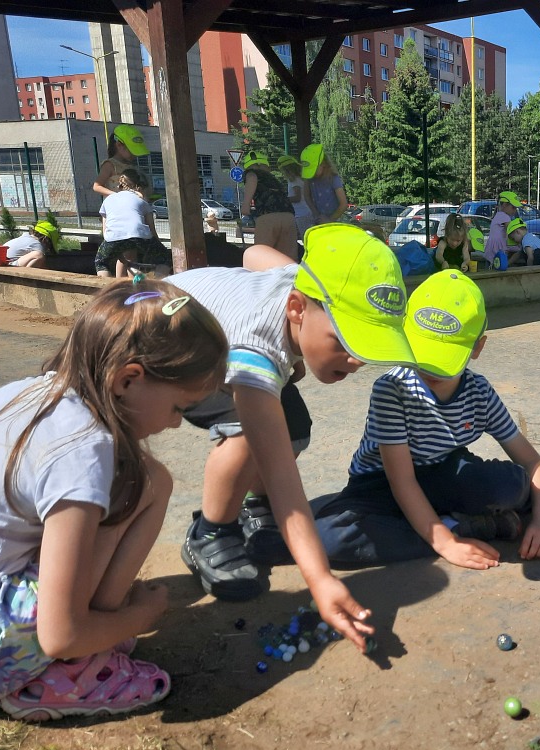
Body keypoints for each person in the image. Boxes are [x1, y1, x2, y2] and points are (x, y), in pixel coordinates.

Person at [0, 280, 228, 721]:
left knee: (146, 476)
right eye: (180, 408)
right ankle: (75, 673)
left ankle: (88, 638)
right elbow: (60, 634)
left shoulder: (31, 393)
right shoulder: (81, 455)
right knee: (139, 485)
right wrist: (140, 617)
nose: (176, 425)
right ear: (129, 379)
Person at [165, 223, 416, 653]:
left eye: (367, 344)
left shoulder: (299, 280)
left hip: (211, 337)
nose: (356, 359)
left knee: (292, 427)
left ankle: (250, 504)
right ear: (297, 309)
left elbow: (254, 253)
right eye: (343, 340)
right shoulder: (258, 346)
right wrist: (320, 579)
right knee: (256, 431)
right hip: (168, 352)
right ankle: (211, 532)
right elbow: (284, 477)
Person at [309, 269, 540, 570]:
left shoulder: (479, 391)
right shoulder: (392, 389)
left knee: (507, 487)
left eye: (443, 361)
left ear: (477, 347)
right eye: (421, 354)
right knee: (328, 538)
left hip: (446, 472)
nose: (431, 371)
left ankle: (535, 494)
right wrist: (446, 543)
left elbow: (533, 462)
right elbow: (402, 481)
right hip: (381, 484)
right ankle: (467, 527)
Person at [95, 168, 172, 279]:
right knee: (164, 259)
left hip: (112, 238)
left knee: (101, 263)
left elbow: (105, 231)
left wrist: (112, 247)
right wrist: (157, 247)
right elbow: (152, 230)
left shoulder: (108, 199)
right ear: (139, 187)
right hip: (138, 236)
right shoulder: (142, 201)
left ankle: (107, 288)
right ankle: (156, 284)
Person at [239, 151, 298, 262]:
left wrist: (246, 204)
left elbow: (252, 178)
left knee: (261, 257)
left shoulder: (251, 172)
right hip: (288, 216)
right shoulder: (273, 179)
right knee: (289, 260)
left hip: (268, 216)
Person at [92, 124, 149, 199]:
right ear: (119, 145)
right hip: (116, 207)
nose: (135, 155)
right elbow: (97, 186)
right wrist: (117, 196)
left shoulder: (131, 166)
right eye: (132, 151)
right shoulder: (110, 165)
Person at [301, 144, 347, 226]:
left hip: (336, 220)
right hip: (320, 220)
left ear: (323, 164)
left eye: (314, 170)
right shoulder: (309, 178)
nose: (312, 173)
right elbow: (306, 195)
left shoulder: (333, 178)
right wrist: (316, 214)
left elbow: (343, 204)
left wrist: (329, 220)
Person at [278, 154, 314, 236]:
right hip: (306, 211)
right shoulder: (301, 178)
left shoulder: (294, 180)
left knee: (305, 237)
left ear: (287, 170)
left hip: (302, 214)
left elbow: (297, 197)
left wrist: (283, 199)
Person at [485, 191, 520, 268]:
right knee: (520, 251)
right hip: (498, 249)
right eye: (513, 207)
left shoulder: (499, 215)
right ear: (504, 205)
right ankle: (507, 264)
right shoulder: (504, 216)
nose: (515, 210)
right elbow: (511, 231)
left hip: (492, 249)